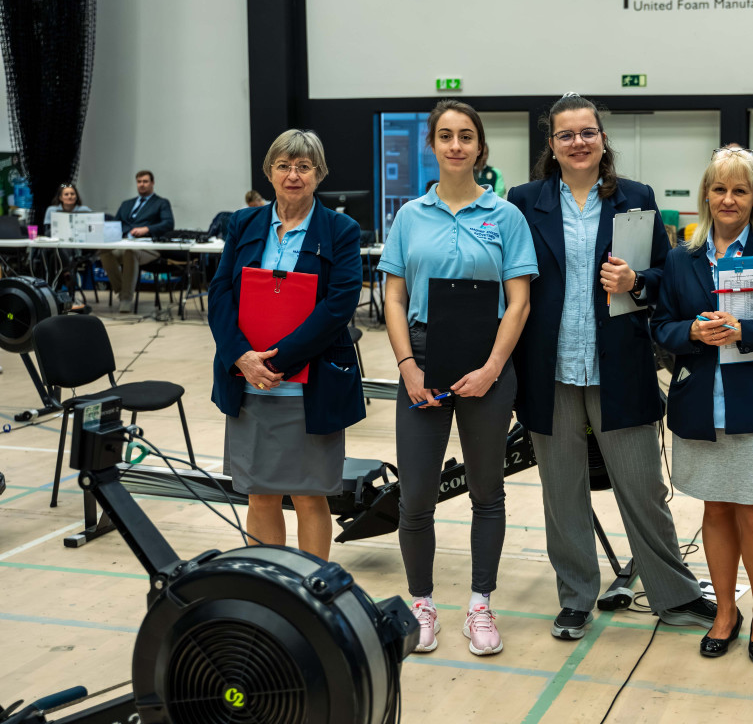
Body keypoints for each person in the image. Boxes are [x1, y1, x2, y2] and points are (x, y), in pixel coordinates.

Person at [508, 93, 718, 642]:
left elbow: (665, 279)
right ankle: (576, 597)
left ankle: (675, 595)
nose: (578, 142)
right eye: (566, 134)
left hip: (620, 367)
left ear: (603, 139)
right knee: (563, 493)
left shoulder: (636, 198)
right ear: (551, 144)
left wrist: (636, 282)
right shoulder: (524, 202)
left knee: (643, 488)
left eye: (587, 132)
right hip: (549, 369)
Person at [379, 100, 537, 657]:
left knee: (486, 491)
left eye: (465, 136)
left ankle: (479, 606)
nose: (455, 145)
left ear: (480, 147)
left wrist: (493, 368)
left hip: (487, 358)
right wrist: (407, 366)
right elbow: (393, 297)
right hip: (422, 357)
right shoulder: (409, 216)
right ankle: (422, 604)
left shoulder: (506, 216)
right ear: (432, 144)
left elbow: (519, 302)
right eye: (445, 135)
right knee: (416, 494)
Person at [651, 145, 753, 664]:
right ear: (705, 195)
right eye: (719, 189)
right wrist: (692, 332)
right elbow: (661, 327)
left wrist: (746, 331)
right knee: (716, 509)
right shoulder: (681, 256)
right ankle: (725, 611)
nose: (728, 199)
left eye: (740, 190)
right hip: (701, 402)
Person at [208, 129, 365, 562]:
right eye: (283, 166)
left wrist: (277, 362)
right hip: (249, 383)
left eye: (303, 167)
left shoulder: (341, 230)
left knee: (309, 496)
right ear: (269, 172)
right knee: (259, 494)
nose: (293, 175)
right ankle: (272, 584)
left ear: (319, 174)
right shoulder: (243, 224)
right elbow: (220, 293)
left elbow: (339, 305)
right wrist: (241, 357)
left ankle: (312, 587)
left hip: (309, 387)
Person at [98, 170, 174, 313]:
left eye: (145, 181)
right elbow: (115, 224)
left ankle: (126, 299)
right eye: (139, 182)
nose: (142, 184)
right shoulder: (127, 204)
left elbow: (168, 224)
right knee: (104, 252)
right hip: (125, 243)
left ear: (152, 183)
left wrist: (147, 229)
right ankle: (121, 291)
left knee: (130, 252)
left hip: (148, 248)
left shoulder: (161, 203)